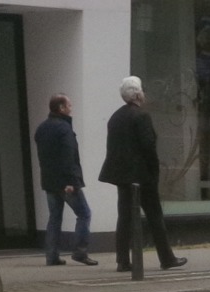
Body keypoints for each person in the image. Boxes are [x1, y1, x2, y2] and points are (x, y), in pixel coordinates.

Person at [98, 76, 186, 270]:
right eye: (142, 90)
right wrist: (154, 172)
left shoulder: (116, 117)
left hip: (123, 177)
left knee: (124, 217)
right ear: (138, 94)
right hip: (142, 177)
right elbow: (148, 147)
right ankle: (167, 258)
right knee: (155, 216)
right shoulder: (141, 116)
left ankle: (123, 261)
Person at [32, 93, 95, 265]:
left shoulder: (42, 128)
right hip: (65, 182)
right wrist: (71, 181)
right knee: (84, 213)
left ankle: (51, 256)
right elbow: (69, 157)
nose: (71, 108)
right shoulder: (64, 129)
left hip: (49, 181)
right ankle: (80, 252)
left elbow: (44, 157)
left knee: (54, 217)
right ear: (61, 108)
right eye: (69, 105)